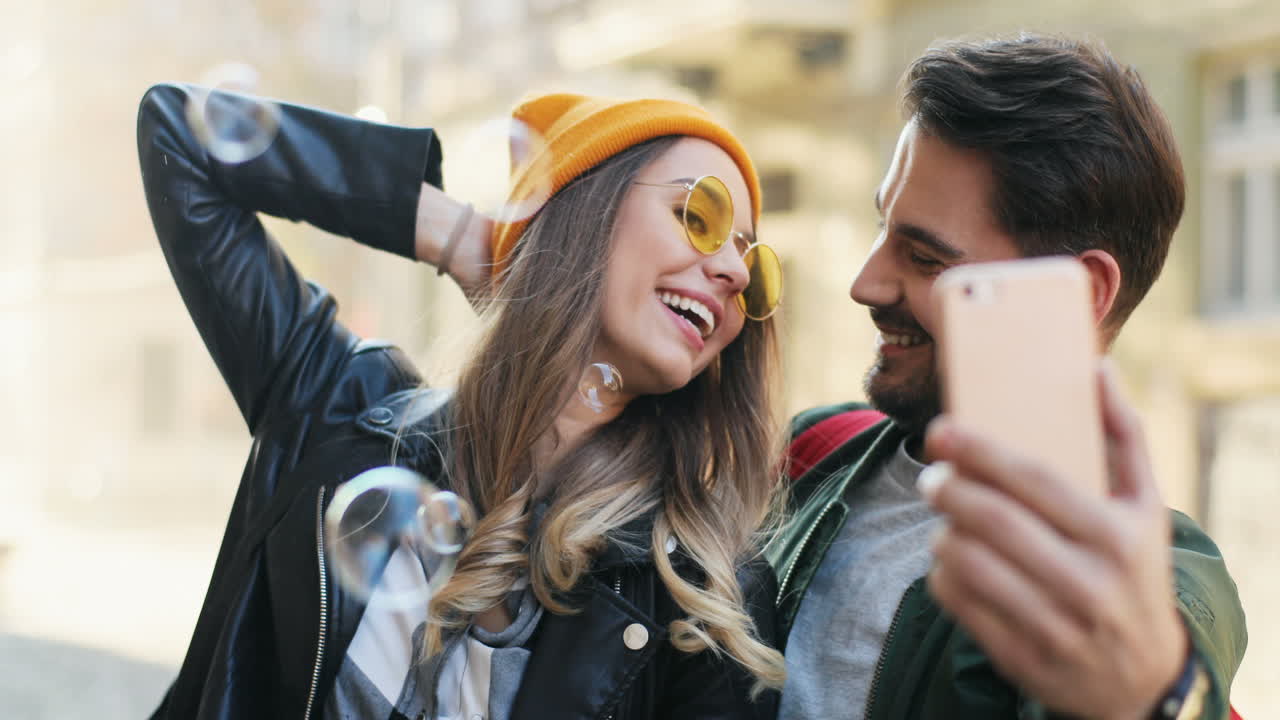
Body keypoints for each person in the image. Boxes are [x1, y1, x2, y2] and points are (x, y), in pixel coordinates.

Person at [137, 83, 788, 720]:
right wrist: (471, 239)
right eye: (699, 217)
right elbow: (178, 131)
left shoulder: (708, 590)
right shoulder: (337, 404)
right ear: (586, 209)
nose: (733, 273)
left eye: (753, 270)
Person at [769, 34, 1248, 720]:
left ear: (1079, 296)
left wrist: (1154, 695)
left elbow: (1165, 672)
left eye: (926, 258)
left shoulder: (1142, 574)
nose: (865, 283)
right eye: (883, 227)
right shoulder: (812, 453)